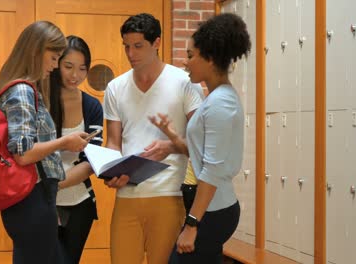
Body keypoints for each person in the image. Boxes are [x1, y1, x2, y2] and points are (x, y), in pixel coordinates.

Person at [149, 13, 251, 263]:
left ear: (211, 58)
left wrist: (192, 224)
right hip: (209, 208)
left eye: (191, 55)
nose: (186, 63)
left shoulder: (220, 104)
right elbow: (202, 154)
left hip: (212, 212)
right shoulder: (217, 99)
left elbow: (212, 170)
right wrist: (172, 140)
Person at [102, 13, 203, 264]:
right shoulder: (116, 87)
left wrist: (169, 146)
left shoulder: (184, 82)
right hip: (127, 195)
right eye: (126, 46)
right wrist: (110, 170)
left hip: (169, 195)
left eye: (138, 46)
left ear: (156, 43)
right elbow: (113, 142)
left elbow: (202, 144)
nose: (131, 53)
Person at [0, 21, 89, 264]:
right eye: (54, 58)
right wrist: (63, 142)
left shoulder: (22, 88)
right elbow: (23, 154)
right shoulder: (23, 92)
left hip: (30, 199)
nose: (55, 66)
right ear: (37, 51)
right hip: (31, 198)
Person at [50, 35, 103, 264]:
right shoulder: (40, 100)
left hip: (79, 201)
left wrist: (55, 183)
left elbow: (91, 160)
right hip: (42, 202)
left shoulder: (91, 105)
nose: (75, 75)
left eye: (82, 69)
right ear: (56, 65)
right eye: (68, 66)